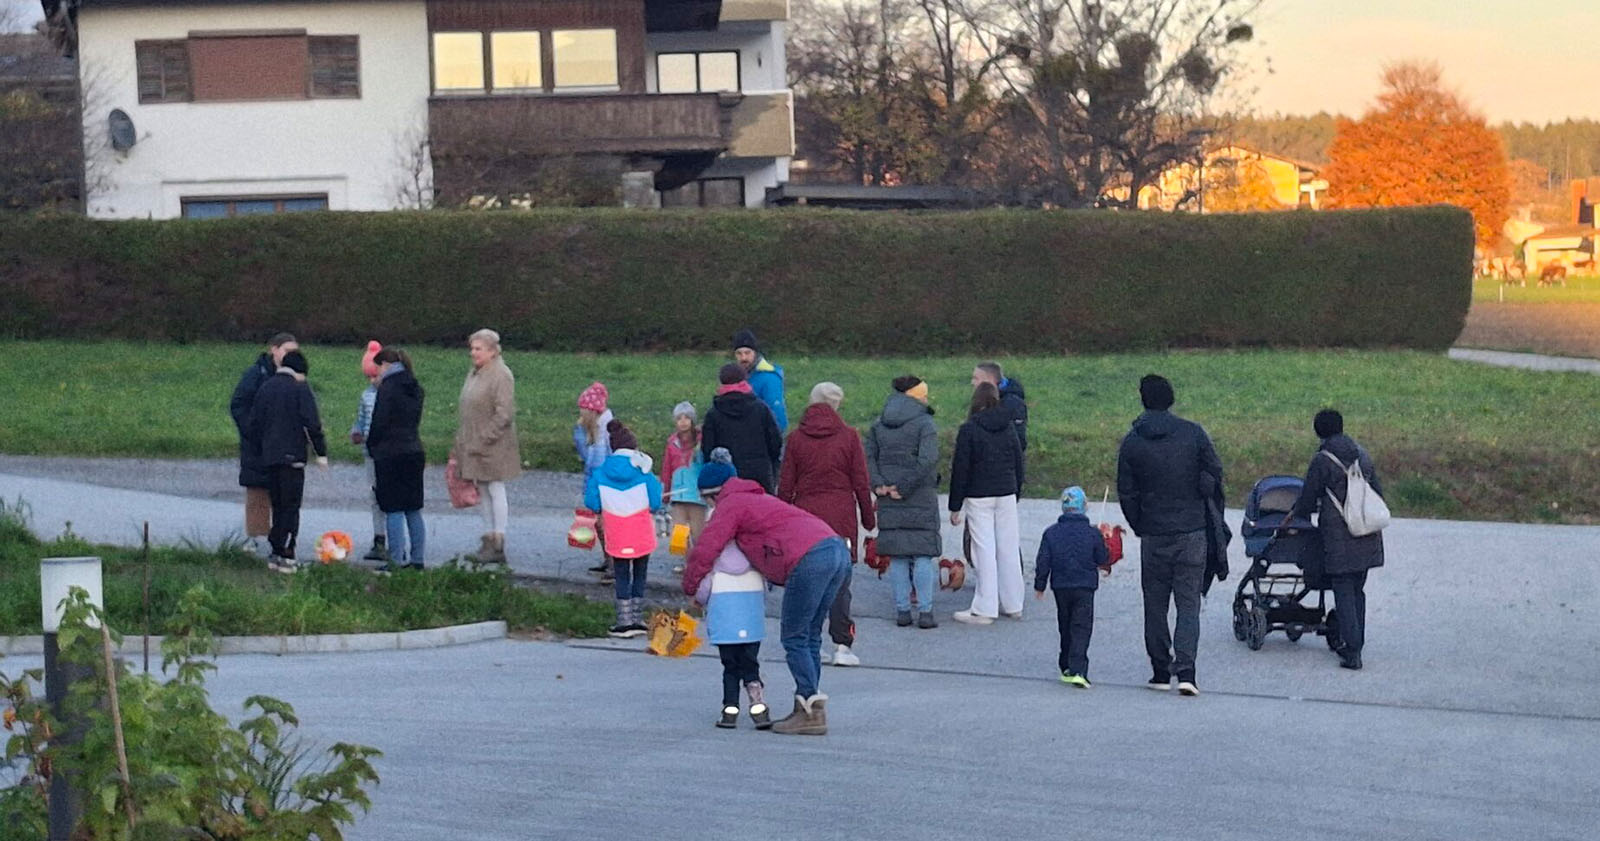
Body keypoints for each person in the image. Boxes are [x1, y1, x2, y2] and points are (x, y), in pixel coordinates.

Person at [684, 463, 849, 736]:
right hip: (835, 548)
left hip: (809, 558)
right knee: (810, 635)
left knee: (795, 636)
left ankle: (810, 709)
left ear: (712, 495)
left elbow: (707, 548)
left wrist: (691, 586)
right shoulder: (758, 498)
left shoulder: (731, 505)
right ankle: (807, 707)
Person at [1116, 374, 1222, 697]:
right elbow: (1214, 472)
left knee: (1155, 603)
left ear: (1143, 400)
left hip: (1154, 533)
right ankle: (1187, 671)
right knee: (1188, 604)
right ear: (1171, 398)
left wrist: (1139, 524)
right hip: (1191, 530)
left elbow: (1127, 492)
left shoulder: (1133, 441)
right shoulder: (1193, 434)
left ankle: (1160, 669)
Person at [777, 382, 876, 667]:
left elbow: (786, 485)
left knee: (809, 580)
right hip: (841, 517)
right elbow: (860, 481)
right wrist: (868, 518)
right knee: (840, 583)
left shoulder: (796, 439)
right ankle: (843, 644)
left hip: (806, 519)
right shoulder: (849, 437)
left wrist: (781, 521)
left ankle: (811, 641)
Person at [1288, 409, 1385, 671]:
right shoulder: (1362, 455)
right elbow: (1376, 491)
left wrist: (1296, 515)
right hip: (1366, 533)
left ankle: (1352, 651)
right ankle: (1357, 642)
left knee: (1343, 589)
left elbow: (1308, 496)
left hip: (1339, 536)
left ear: (1319, 431)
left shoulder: (1323, 460)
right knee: (1357, 590)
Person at [865, 376, 941, 629]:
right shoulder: (925, 424)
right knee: (922, 554)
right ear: (916, 396)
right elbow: (927, 460)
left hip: (888, 496)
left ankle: (902, 611)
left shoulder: (878, 424)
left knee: (897, 555)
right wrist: (905, 487)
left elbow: (869, 458)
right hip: (919, 495)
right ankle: (926, 612)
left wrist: (879, 485)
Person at [948, 382, 1025, 625]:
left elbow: (961, 469)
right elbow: (1018, 461)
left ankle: (985, 607)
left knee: (984, 550)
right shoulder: (1008, 427)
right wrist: (1016, 491)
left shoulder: (969, 430)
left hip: (979, 494)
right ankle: (1014, 603)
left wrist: (955, 505)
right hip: (1006, 492)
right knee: (1009, 548)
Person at [248, 349, 327, 572]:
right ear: (299, 371)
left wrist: (262, 449)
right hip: (293, 457)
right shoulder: (300, 389)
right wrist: (320, 453)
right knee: (291, 506)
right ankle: (287, 553)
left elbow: (254, 424)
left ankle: (275, 551)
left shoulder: (265, 387)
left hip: (270, 457)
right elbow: (312, 423)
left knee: (277, 504)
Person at [585, 420, 664, 638]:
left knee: (621, 574)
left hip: (616, 532)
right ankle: (638, 618)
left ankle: (624, 620)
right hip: (641, 531)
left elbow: (592, 502)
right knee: (640, 572)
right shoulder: (643, 472)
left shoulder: (600, 473)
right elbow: (655, 502)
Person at [454, 328, 521, 566]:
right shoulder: (475, 373)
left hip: (494, 444)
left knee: (494, 487)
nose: (473, 353)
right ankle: (488, 537)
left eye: (478, 348)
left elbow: (504, 414)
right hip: (473, 442)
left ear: (492, 351)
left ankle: (499, 540)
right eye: (472, 348)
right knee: (482, 489)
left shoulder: (501, 375)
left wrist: (484, 437)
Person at [229, 332, 297, 556]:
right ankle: (255, 538)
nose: (290, 355)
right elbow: (238, 404)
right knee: (257, 491)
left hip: (283, 444)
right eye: (287, 350)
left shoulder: (295, 376)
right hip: (257, 444)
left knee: (282, 493)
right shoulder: (256, 374)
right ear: (274, 350)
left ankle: (279, 540)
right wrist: (253, 430)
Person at [1034, 486, 1109, 688]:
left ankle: (1066, 665)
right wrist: (1104, 541)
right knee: (1081, 626)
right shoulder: (1092, 533)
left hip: (1061, 585)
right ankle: (1078, 669)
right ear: (1084, 507)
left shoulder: (1051, 533)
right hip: (1085, 586)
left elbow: (1043, 560)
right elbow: (1102, 558)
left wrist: (1040, 584)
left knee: (1065, 624)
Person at [693, 537, 770, 730]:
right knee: (751, 666)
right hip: (751, 627)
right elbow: (767, 592)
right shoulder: (756, 571)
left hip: (725, 628)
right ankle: (758, 708)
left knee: (730, 668)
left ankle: (730, 710)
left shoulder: (715, 573)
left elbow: (701, 595)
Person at [366, 347, 426, 573]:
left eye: (378, 368)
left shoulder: (388, 388)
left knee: (393, 508)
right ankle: (417, 559)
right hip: (413, 449)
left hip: (390, 453)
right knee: (413, 508)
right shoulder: (416, 388)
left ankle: (396, 560)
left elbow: (379, 422)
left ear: (385, 365)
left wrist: (372, 446)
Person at [701, 363, 782, 493]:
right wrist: (773, 464)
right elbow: (775, 441)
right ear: (744, 379)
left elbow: (707, 449)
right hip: (760, 474)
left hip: (728, 477)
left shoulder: (714, 413)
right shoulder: (761, 408)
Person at [349, 340, 387, 561]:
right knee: (374, 496)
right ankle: (378, 537)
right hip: (369, 452)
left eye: (376, 375)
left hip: (385, 452)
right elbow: (361, 419)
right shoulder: (366, 395)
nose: (373, 381)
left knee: (387, 496)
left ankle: (392, 538)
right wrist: (356, 432)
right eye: (369, 377)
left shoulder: (389, 395)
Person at [660, 401, 706, 572]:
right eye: (679, 418)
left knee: (698, 532)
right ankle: (687, 562)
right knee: (679, 532)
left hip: (696, 494)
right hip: (677, 494)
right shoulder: (672, 443)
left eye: (687, 417)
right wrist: (665, 492)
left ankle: (700, 564)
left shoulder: (702, 442)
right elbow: (666, 468)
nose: (683, 421)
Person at [575, 381, 614, 575]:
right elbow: (585, 456)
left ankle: (614, 560)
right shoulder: (591, 431)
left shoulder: (606, 431)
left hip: (606, 484)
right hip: (595, 482)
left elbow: (600, 461)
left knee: (604, 523)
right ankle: (607, 558)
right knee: (598, 523)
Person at [732, 328, 788, 434]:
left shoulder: (769, 378)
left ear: (755, 353)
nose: (743, 357)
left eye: (747, 353)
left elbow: (777, 414)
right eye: (739, 353)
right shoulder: (736, 376)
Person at [971, 361, 1028, 453]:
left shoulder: (1013, 404)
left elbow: (1019, 441)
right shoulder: (981, 400)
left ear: (990, 379)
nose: (972, 382)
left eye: (976, 378)